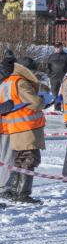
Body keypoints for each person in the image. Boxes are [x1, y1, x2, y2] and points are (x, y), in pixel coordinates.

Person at [0, 59, 46, 204]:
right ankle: (23, 193)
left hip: (16, 126)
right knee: (30, 158)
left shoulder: (9, 81)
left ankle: (14, 189)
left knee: (20, 158)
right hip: (26, 126)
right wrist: (43, 100)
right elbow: (36, 103)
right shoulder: (20, 82)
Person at [0, 50, 16, 198]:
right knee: (6, 158)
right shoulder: (6, 83)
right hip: (5, 126)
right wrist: (11, 105)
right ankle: (4, 188)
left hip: (7, 126)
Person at [46, 42, 67, 111]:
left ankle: (66, 107)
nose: (57, 48)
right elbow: (48, 66)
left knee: (65, 93)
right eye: (56, 47)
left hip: (64, 78)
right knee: (55, 93)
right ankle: (57, 107)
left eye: (59, 47)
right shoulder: (51, 56)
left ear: (62, 47)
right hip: (54, 78)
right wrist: (49, 74)